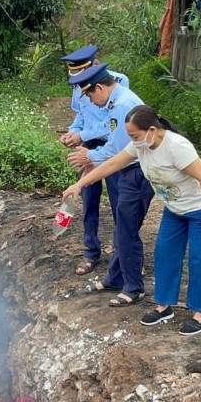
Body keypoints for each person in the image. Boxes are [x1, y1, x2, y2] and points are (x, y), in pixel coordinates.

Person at [62, 106, 201, 336]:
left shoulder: (177, 147)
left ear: (151, 130)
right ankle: (163, 306)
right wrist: (80, 184)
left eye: (135, 136)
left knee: (200, 259)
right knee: (165, 254)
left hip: (200, 211)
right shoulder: (141, 145)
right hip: (174, 210)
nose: (133, 141)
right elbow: (112, 164)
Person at [64, 63, 154, 307]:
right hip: (125, 169)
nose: (92, 102)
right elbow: (116, 155)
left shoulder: (123, 104)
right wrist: (85, 177)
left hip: (137, 174)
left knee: (127, 230)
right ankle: (115, 277)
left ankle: (134, 286)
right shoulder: (116, 101)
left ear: (100, 88)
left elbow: (117, 150)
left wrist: (89, 157)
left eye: (91, 95)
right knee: (122, 227)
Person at [58, 45, 131, 276]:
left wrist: (83, 135)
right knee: (88, 198)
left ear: (96, 64)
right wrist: (73, 132)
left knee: (120, 201)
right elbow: (81, 114)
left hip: (112, 147)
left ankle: (122, 255)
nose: (81, 84)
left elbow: (113, 122)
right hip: (88, 148)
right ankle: (91, 251)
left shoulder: (118, 83)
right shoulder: (79, 86)